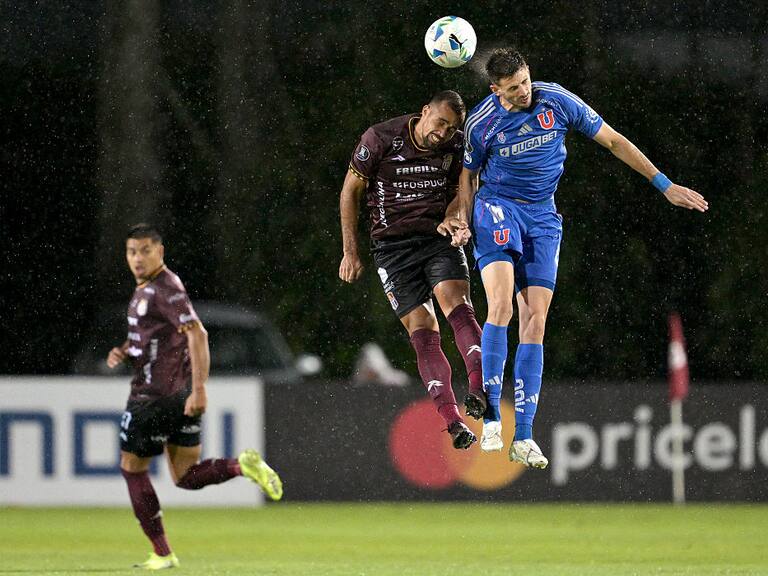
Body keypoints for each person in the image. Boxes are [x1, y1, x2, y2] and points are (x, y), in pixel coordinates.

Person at [449, 48, 708, 466]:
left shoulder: (556, 100)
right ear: (496, 89)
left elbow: (613, 140)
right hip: (497, 205)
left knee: (536, 319)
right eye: (513, 89)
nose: (524, 92)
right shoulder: (482, 122)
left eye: (525, 81)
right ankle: (493, 416)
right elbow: (467, 174)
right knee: (500, 305)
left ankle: (525, 436)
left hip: (543, 215)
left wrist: (664, 184)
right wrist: (463, 217)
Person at [108, 224, 283, 570]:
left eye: (145, 250)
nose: (138, 258)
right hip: (177, 395)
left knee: (132, 468)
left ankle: (162, 553)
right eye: (132, 252)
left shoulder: (165, 287)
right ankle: (240, 465)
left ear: (161, 251)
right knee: (186, 475)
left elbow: (197, 334)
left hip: (153, 397)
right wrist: (127, 349)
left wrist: (201, 388)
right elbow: (157, 335)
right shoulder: (147, 290)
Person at [339, 91, 487, 450]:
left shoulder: (456, 147)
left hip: (437, 238)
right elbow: (349, 192)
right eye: (440, 123)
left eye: (452, 128)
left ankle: (480, 389)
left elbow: (465, 187)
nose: (444, 133)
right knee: (422, 330)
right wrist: (350, 252)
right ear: (424, 112)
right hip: (392, 251)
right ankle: (453, 421)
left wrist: (455, 214)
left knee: (458, 307)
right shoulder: (380, 139)